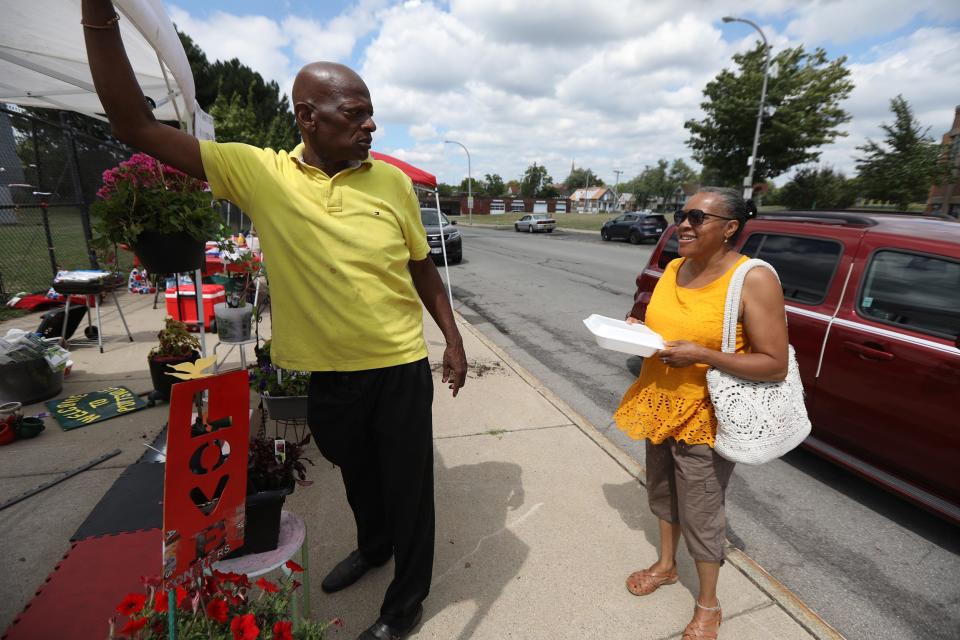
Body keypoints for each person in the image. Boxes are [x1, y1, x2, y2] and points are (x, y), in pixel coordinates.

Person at [80, 3, 467, 639]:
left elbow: (423, 267)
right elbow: (135, 127)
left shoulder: (394, 185)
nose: (371, 125)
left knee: (409, 492)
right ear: (308, 118)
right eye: (355, 113)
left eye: (372, 112)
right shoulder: (262, 173)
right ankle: (374, 548)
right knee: (354, 471)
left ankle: (404, 606)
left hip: (398, 366)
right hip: (321, 375)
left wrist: (450, 338)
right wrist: (100, 17)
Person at [614, 187, 788, 640]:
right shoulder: (674, 267)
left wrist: (702, 355)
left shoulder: (752, 279)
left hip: (705, 416)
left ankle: (708, 604)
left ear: (730, 228)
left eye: (697, 217)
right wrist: (639, 332)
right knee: (661, 493)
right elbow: (669, 330)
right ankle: (667, 565)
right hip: (659, 402)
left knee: (702, 511)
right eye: (681, 215)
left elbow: (774, 363)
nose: (683, 225)